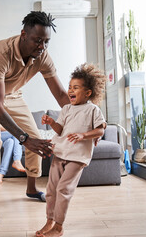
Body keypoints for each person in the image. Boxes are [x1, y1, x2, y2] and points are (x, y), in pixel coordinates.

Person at [0, 11, 69, 229]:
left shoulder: (42, 56)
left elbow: (61, 95)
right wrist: (23, 139)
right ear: (24, 34)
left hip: (13, 94)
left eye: (46, 42)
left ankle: (31, 189)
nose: (42, 46)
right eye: (37, 40)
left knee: (36, 136)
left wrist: (86, 119)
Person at [36, 63, 107, 237]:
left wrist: (83, 135)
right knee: (51, 190)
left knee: (64, 189)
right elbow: (60, 129)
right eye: (69, 87)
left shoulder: (92, 110)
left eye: (75, 88)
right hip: (60, 153)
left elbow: (100, 129)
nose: (70, 90)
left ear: (88, 93)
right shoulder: (66, 108)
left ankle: (59, 227)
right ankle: (49, 221)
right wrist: (52, 123)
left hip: (77, 157)